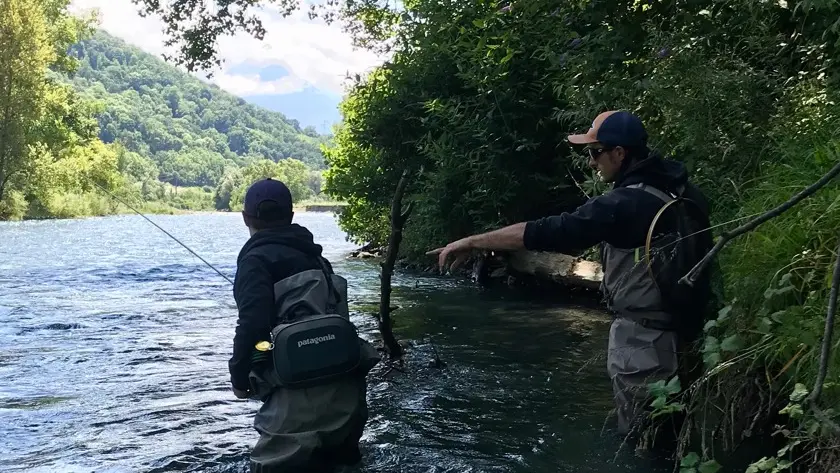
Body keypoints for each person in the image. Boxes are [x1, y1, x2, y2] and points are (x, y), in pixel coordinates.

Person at [428, 110, 714, 440]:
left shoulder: (623, 204)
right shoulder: (685, 191)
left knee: (645, 444)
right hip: (690, 338)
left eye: (595, 152)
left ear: (619, 153)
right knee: (678, 438)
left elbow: (546, 231)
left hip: (645, 347)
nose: (591, 162)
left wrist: (473, 241)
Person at [230, 177, 377, 473]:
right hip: (347, 391)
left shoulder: (255, 260)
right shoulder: (316, 256)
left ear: (246, 218)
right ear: (291, 215)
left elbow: (255, 327)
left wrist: (242, 374)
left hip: (297, 397)